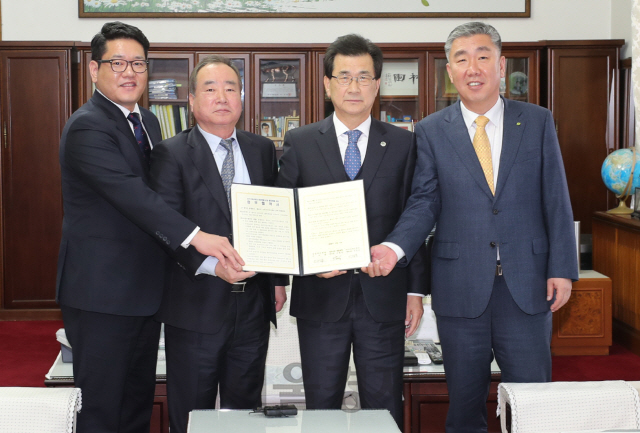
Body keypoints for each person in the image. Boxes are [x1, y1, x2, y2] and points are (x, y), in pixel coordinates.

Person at [363, 22, 578, 432]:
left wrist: (562, 268)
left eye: (483, 56)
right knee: (464, 405)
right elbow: (424, 201)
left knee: (533, 401)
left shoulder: (536, 121)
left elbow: (556, 198)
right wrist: (394, 248)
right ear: (450, 70)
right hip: (460, 287)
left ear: (501, 66)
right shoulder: (429, 130)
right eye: (462, 59)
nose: (473, 67)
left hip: (528, 284)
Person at [56, 23, 243, 433]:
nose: (129, 72)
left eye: (137, 63)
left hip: (143, 293)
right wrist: (199, 238)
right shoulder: (87, 126)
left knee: (137, 402)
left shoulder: (146, 122)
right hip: (101, 295)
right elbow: (135, 198)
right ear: (93, 70)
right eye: (117, 62)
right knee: (103, 409)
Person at [275, 34, 428, 428]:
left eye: (364, 77)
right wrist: (308, 263)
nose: (354, 86)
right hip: (321, 297)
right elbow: (284, 216)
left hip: (385, 298)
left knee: (384, 406)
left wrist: (415, 290)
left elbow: (415, 215)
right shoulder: (301, 141)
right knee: (321, 404)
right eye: (344, 76)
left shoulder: (403, 143)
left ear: (378, 85)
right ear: (327, 84)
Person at [149, 55, 288, 433]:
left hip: (253, 307)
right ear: (192, 101)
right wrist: (214, 266)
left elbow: (270, 219)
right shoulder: (170, 154)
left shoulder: (261, 149)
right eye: (210, 89)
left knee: (244, 413)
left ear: (242, 99)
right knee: (192, 413)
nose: (222, 97)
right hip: (197, 305)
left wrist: (277, 279)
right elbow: (165, 229)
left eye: (231, 88)